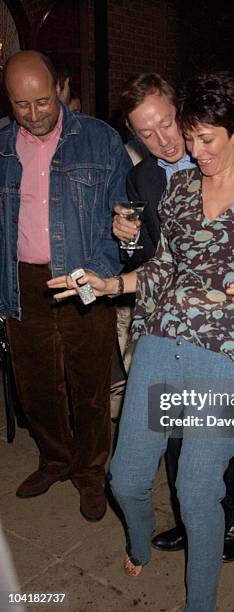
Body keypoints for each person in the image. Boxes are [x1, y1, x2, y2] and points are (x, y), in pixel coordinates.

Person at [48, 71, 234, 611]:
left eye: (208, 140)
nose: (195, 152)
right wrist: (110, 283)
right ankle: (139, 540)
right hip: (158, 340)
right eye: (191, 137)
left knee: (198, 492)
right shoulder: (175, 191)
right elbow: (163, 266)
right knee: (125, 479)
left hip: (226, 354)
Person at [113, 72, 234, 561]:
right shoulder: (144, 179)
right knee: (171, 429)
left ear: (181, 110)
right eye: (145, 134)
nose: (165, 141)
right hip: (173, 326)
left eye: (168, 125)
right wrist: (127, 239)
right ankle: (194, 519)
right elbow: (152, 259)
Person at [0, 50, 131, 522]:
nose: (33, 115)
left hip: (84, 277)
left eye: (42, 101)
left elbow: (120, 218)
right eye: (21, 105)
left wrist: (93, 273)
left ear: (59, 88)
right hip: (21, 282)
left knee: (90, 387)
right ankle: (55, 459)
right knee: (35, 387)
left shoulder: (100, 140)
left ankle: (90, 474)